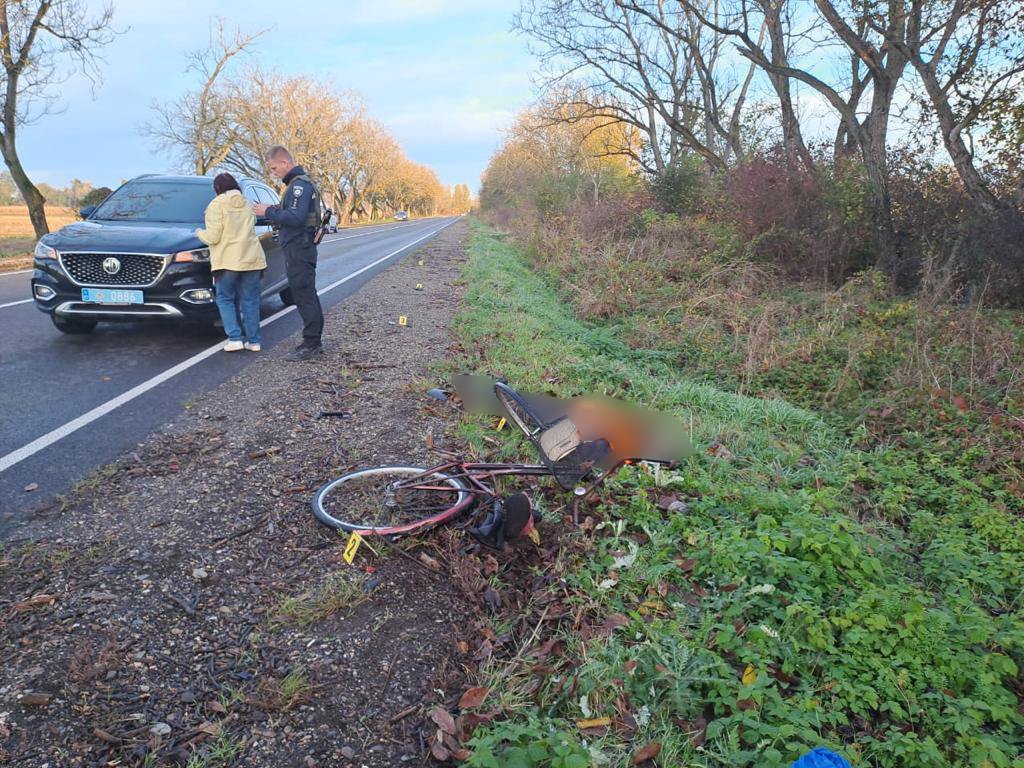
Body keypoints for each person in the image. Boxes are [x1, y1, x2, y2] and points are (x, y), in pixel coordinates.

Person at [252, 145, 325, 361]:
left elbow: (295, 218)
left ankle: (312, 344)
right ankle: (312, 341)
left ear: (285, 163)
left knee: (304, 295)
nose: (274, 172)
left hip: (299, 248)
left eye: (275, 168)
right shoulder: (296, 185)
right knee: (304, 294)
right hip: (298, 247)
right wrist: (274, 211)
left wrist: (269, 211)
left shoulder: (298, 187)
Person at [196, 172, 267, 352]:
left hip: (227, 261)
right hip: (252, 259)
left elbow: (213, 236)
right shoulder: (247, 204)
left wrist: (198, 233)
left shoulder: (216, 205)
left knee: (225, 298)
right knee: (250, 301)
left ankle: (235, 338)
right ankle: (254, 341)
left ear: (217, 188)